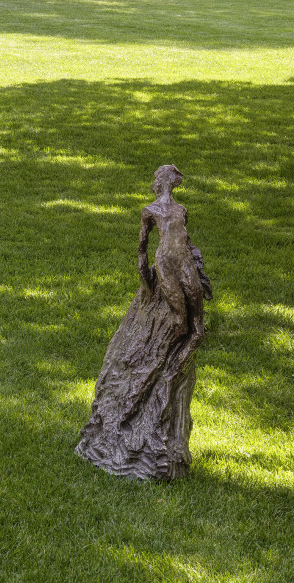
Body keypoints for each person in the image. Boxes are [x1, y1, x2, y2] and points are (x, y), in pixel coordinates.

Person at [75, 164, 212, 480]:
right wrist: (144, 276)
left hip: (184, 263)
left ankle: (179, 356)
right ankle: (157, 364)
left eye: (172, 179)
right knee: (179, 321)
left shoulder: (182, 209)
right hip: (164, 263)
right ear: (161, 182)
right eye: (168, 177)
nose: (169, 183)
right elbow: (142, 246)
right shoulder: (148, 210)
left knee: (197, 323)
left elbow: (186, 241)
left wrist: (199, 266)